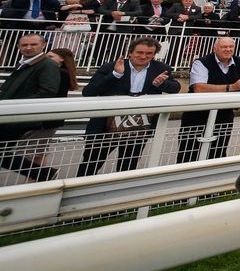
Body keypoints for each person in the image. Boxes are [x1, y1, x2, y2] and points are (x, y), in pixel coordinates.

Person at [76, 37, 180, 176]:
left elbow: (175, 87)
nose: (144, 56)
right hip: (106, 125)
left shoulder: (161, 68)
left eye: (149, 53)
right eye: (140, 52)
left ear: (154, 54)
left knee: (128, 164)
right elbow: (89, 91)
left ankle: (121, 192)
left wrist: (160, 84)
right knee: (91, 162)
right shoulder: (111, 66)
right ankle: (80, 189)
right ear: (130, 52)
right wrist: (115, 74)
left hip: (138, 125)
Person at [176, 37, 240, 163]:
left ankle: (212, 179)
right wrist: (232, 87)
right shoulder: (201, 63)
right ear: (215, 49)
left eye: (231, 47)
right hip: (197, 113)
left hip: (225, 113)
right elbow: (199, 88)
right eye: (224, 47)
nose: (228, 49)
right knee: (189, 151)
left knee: (218, 149)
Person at [0, 34, 61, 182]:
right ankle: (43, 174)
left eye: (33, 44)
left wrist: (16, 105)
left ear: (43, 45)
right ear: (18, 47)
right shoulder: (24, 63)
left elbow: (48, 91)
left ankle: (43, 174)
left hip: (20, 116)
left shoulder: (47, 65)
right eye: (24, 45)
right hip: (11, 114)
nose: (28, 48)